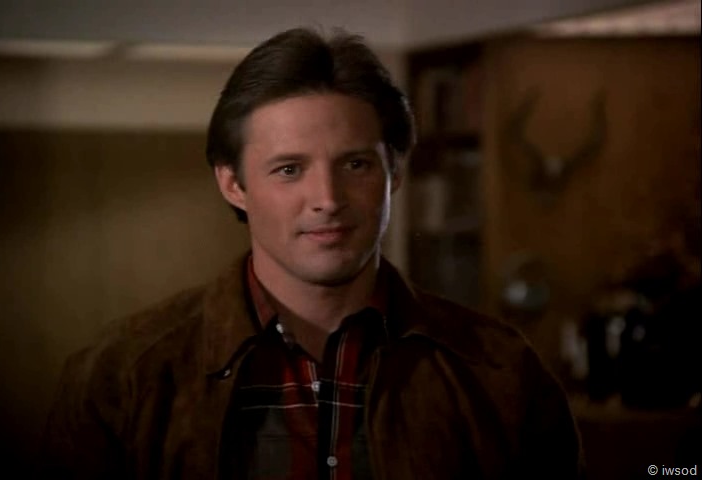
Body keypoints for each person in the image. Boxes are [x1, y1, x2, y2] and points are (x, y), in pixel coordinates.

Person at [40, 27, 583, 479]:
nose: (327, 199)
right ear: (233, 184)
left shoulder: (500, 373)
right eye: (289, 169)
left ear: (394, 172)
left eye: (355, 165)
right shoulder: (121, 378)